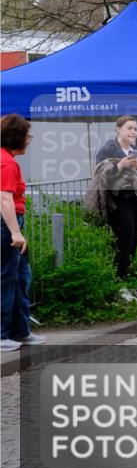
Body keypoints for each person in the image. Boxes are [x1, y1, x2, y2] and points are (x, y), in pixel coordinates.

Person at [1, 114, 44, 351]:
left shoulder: (6, 159)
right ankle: (2, 335)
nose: (29, 140)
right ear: (16, 137)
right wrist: (15, 233)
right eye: (27, 136)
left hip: (11, 223)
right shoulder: (7, 163)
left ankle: (20, 330)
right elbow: (4, 198)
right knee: (7, 280)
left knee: (19, 278)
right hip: (8, 224)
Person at [94, 115, 137, 278]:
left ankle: (129, 274)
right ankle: (119, 278)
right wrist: (120, 165)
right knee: (124, 241)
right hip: (119, 201)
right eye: (129, 128)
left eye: (136, 129)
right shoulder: (108, 150)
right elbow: (100, 177)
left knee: (134, 240)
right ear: (118, 129)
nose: (133, 132)